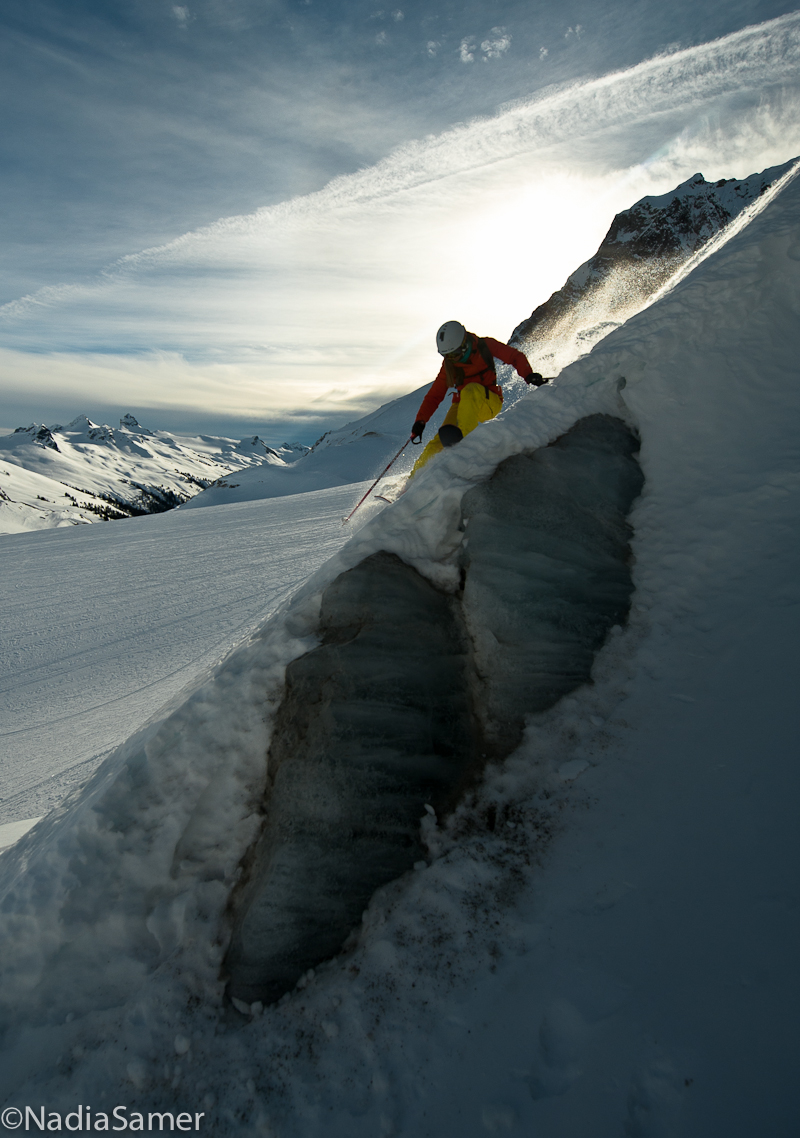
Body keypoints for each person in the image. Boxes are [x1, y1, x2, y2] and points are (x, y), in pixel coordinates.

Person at [409, 321, 546, 475]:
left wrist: (528, 374)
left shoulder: (484, 346)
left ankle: (465, 450)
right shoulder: (450, 363)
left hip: (489, 402)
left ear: (463, 344)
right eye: (447, 356)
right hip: (463, 405)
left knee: (470, 390)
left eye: (453, 354)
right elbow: (435, 395)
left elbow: (514, 356)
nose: (451, 359)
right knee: (439, 441)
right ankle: (412, 483)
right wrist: (420, 421)